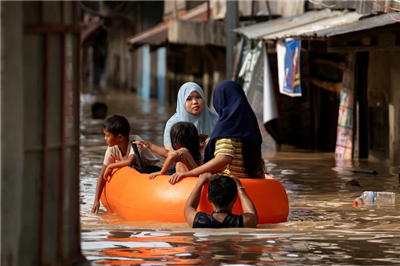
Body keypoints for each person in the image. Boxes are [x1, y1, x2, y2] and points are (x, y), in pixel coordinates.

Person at [169, 81, 265, 184]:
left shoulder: (227, 128)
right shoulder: (250, 124)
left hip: (228, 184)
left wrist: (191, 173)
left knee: (182, 158)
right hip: (251, 180)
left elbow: (224, 158)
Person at [91, 114, 162, 213]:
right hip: (139, 172)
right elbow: (102, 175)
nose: (105, 138)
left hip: (153, 170)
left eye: (107, 135)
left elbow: (130, 161)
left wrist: (111, 166)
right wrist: (96, 201)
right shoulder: (112, 149)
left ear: (120, 137)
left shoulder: (135, 141)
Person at [163, 82, 219, 174]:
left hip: (211, 162)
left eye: (198, 97)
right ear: (182, 101)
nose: (195, 102)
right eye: (189, 99)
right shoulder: (173, 123)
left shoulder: (215, 119)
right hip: (182, 163)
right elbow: (169, 150)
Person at [134, 122, 203, 183]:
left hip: (186, 184)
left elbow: (171, 156)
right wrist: (149, 145)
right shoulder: (195, 153)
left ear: (176, 143)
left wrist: (162, 172)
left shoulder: (183, 152)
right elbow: (167, 153)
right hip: (194, 180)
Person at [184, 173, 258, 228]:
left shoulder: (198, 221)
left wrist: (199, 183)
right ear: (235, 198)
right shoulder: (242, 222)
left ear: (208, 198)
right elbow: (251, 214)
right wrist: (239, 187)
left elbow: (189, 207)